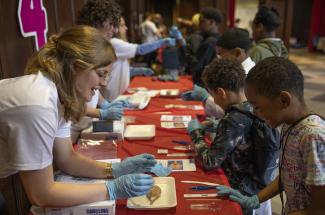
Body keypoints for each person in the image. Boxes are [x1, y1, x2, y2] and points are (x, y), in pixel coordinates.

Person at [0, 25, 156, 214]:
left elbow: (67, 158)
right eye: (101, 74)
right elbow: (41, 194)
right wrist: (111, 189)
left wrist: (114, 170)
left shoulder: (62, 92)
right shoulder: (38, 105)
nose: (104, 82)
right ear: (76, 66)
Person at [216, 57, 325, 215]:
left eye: (257, 106)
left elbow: (320, 209)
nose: (253, 112)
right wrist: (255, 199)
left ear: (283, 100)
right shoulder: (289, 124)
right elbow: (287, 174)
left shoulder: (312, 137)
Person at [187, 59, 277, 215]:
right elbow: (246, 134)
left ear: (221, 92)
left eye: (212, 95)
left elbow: (210, 161)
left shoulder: (234, 119)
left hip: (238, 190)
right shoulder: (254, 105)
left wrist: (195, 134)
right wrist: (219, 125)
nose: (214, 100)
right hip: (255, 183)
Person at [77, 0, 175, 100]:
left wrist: (104, 106)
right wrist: (162, 42)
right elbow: (79, 97)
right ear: (97, 22)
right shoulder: (89, 48)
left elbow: (97, 89)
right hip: (108, 98)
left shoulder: (101, 45)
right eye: (111, 24)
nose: (115, 30)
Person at [182, 28, 254, 119]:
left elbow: (231, 112)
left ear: (237, 52)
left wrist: (205, 98)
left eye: (221, 54)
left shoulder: (246, 76)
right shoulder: (237, 70)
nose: (218, 59)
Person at [188, 7, 223, 86]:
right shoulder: (220, 38)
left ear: (211, 22)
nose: (199, 24)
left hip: (204, 85)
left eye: (201, 21)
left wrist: (185, 50)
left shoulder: (210, 41)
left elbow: (196, 66)